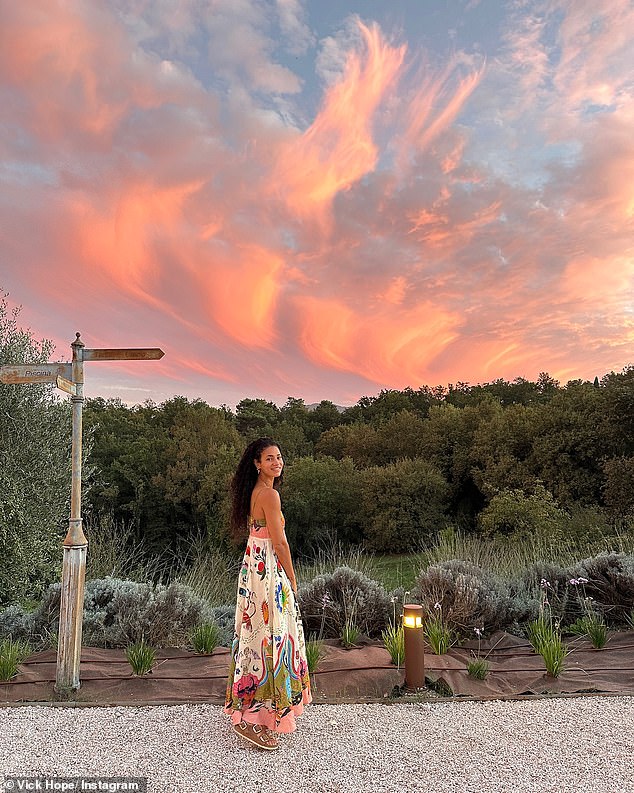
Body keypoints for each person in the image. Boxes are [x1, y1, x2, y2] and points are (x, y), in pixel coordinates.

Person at [224, 437, 312, 750]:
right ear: (257, 464)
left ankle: (253, 711)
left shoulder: (253, 492)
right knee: (273, 636)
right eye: (269, 458)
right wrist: (291, 576)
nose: (277, 462)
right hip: (268, 569)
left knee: (254, 636)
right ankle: (254, 719)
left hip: (252, 567)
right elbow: (280, 542)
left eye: (279, 457)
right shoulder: (270, 495)